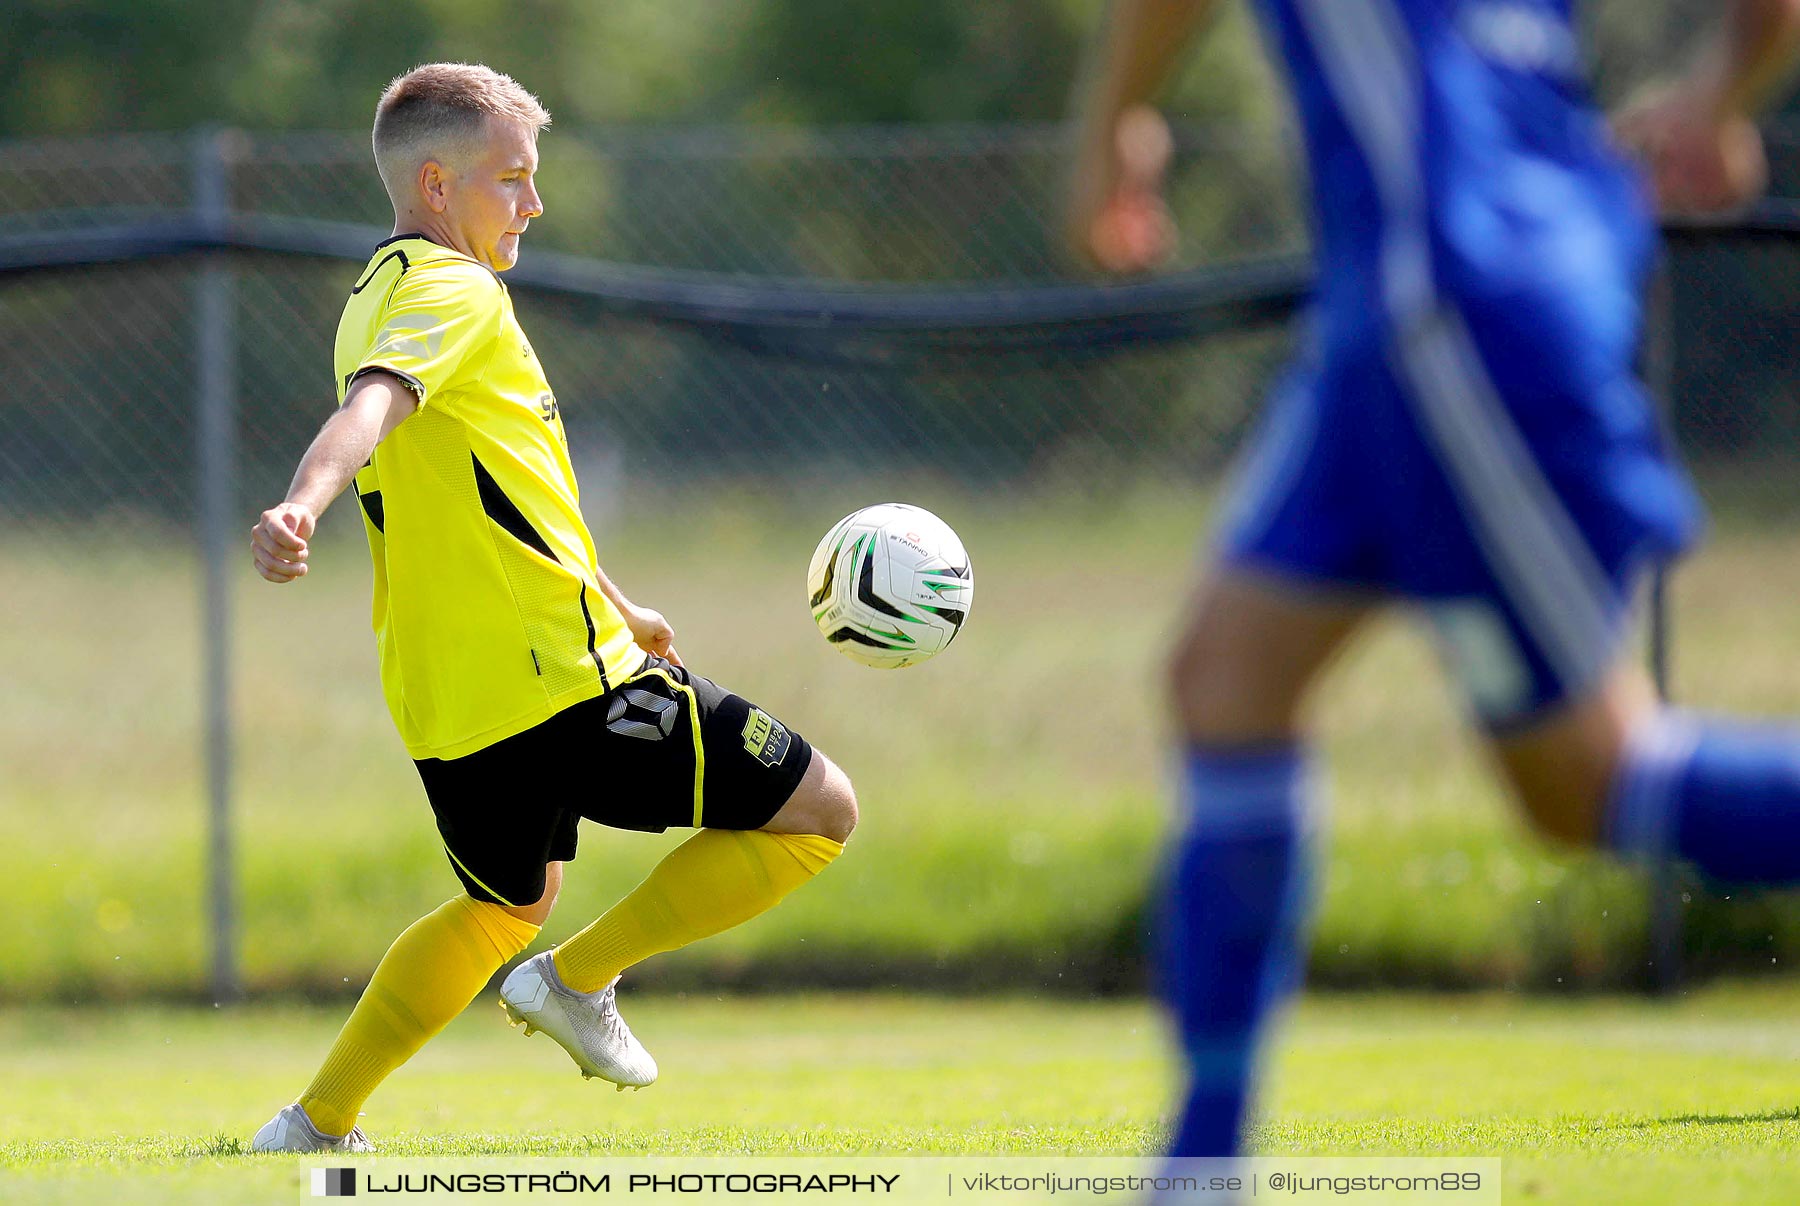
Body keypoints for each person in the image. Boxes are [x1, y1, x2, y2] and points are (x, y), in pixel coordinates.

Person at [1066, 0, 1800, 1157]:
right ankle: (1199, 1167)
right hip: (1433, 303)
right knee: (1226, 685)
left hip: (1456, 304)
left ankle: (1199, 1167)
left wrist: (1114, 121)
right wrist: (1715, 95)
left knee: (1597, 777)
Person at [249, 63, 857, 1154]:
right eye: (512, 180)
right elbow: (372, 409)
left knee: (501, 905)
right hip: (559, 682)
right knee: (821, 810)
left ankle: (315, 1122)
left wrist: (619, 599)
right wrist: (301, 504)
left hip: (452, 697)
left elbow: (498, 489)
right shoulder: (455, 292)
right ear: (438, 185)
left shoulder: (374, 292)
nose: (533, 204)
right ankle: (580, 982)